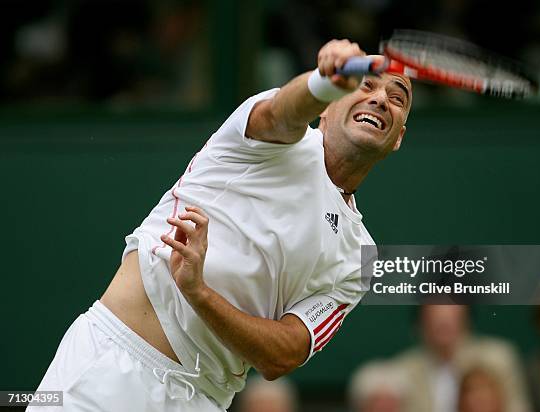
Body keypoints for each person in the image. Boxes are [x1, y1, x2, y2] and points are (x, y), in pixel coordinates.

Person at [30, 39, 412, 412]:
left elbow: (283, 355)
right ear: (326, 108)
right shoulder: (270, 138)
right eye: (365, 85)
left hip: (204, 401)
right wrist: (323, 81)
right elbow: (284, 111)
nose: (380, 99)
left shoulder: (360, 256)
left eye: (397, 97)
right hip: (112, 366)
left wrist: (200, 294)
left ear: (398, 139)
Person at [390, 305, 531, 412]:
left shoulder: (498, 358)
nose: (443, 315)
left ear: (466, 316)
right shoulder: (401, 369)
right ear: (420, 321)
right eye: (434, 306)